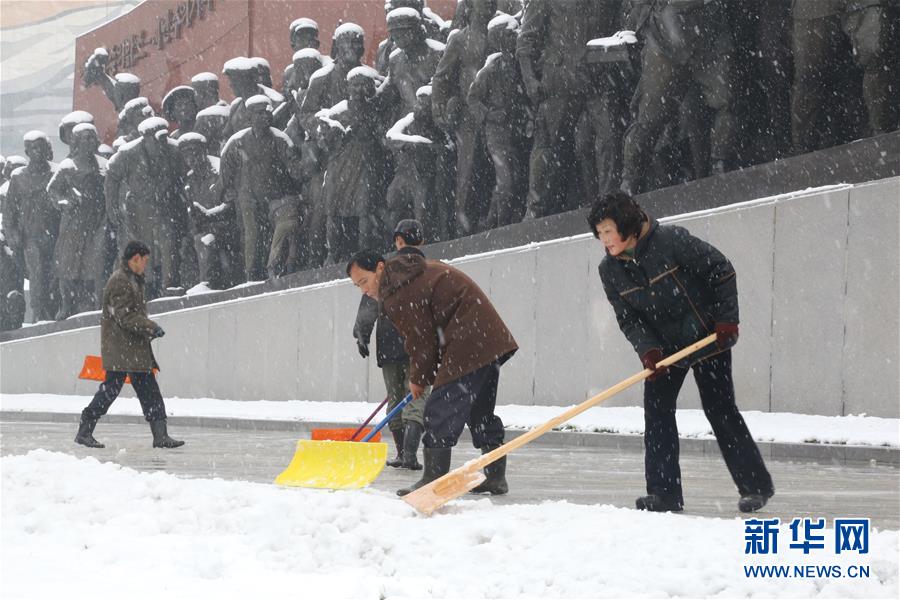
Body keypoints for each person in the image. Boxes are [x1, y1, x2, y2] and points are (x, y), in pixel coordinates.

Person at [588, 191, 774, 513]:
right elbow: (628, 318)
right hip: (665, 349)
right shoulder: (610, 270)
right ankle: (664, 493)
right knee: (657, 412)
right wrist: (648, 350)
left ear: (627, 225)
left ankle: (755, 486)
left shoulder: (670, 240)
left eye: (608, 231)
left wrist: (726, 320)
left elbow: (721, 269)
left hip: (706, 337)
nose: (604, 240)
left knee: (720, 409)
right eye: (599, 233)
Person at [346, 245, 518, 497]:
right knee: (480, 413)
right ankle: (495, 477)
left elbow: (420, 339)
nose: (364, 290)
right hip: (487, 339)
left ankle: (432, 480)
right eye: (357, 286)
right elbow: (428, 330)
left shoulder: (398, 290)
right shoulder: (409, 275)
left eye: (364, 281)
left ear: (380, 268)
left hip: (469, 340)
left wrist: (418, 379)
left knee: (440, 411)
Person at [74, 241, 184, 449]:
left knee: (148, 391)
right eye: (145, 260)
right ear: (135, 259)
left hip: (131, 350)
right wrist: (150, 327)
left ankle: (160, 436)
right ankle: (84, 430)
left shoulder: (132, 279)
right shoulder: (121, 281)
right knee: (110, 391)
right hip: (122, 350)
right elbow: (124, 316)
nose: (146, 265)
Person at [352, 220, 430, 470]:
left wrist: (362, 334)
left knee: (395, 396)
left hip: (388, 342)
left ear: (398, 241)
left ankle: (400, 452)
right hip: (416, 341)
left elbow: (369, 301)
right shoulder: (427, 269)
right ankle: (410, 454)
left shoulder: (385, 269)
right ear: (422, 242)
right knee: (414, 396)